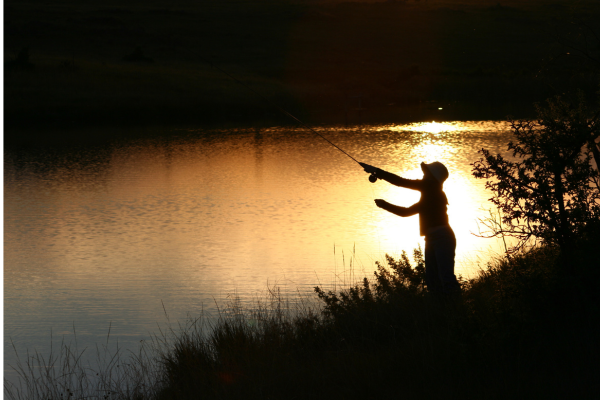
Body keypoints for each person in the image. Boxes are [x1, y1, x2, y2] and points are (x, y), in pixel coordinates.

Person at [360, 161, 460, 295]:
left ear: (433, 177)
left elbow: (401, 182)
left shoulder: (431, 187)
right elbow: (405, 212)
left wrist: (377, 171)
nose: (423, 175)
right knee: (432, 281)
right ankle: (441, 311)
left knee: (446, 278)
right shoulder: (429, 195)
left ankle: (458, 309)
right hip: (431, 239)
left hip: (442, 238)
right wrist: (384, 205)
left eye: (426, 173)